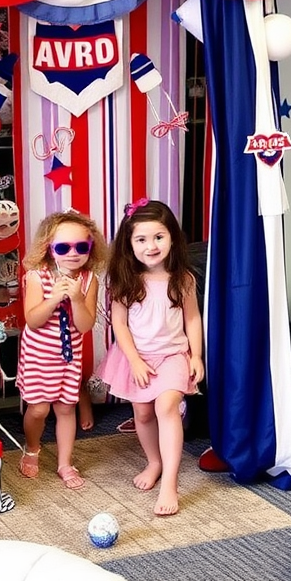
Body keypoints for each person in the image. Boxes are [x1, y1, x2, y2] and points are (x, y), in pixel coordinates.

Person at [100, 199, 204, 516]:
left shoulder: (183, 278)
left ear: (172, 237)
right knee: (143, 414)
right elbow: (119, 323)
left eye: (158, 237)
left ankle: (170, 482)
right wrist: (133, 360)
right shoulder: (125, 280)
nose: (151, 246)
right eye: (141, 239)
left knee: (166, 406)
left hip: (173, 354)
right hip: (138, 356)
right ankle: (154, 462)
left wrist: (196, 355)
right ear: (129, 245)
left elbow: (192, 319)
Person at [16, 209, 108, 490]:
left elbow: (84, 325)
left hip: (69, 358)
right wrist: (54, 298)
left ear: (90, 249)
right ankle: (32, 448)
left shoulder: (89, 280)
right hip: (38, 357)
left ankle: (65, 462)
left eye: (81, 247)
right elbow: (32, 320)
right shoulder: (37, 276)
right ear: (49, 247)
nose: (73, 253)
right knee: (39, 409)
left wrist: (78, 299)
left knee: (66, 408)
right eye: (63, 247)